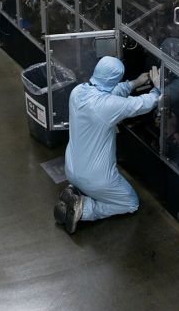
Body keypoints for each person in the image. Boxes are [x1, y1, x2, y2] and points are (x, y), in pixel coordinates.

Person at [54, 56, 160, 234]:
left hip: (71, 169)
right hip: (97, 179)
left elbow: (106, 93)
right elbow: (142, 104)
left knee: (90, 184)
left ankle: (75, 191)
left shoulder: (78, 92)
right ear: (114, 80)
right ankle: (83, 209)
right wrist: (157, 88)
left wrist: (134, 83)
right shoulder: (107, 107)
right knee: (130, 203)